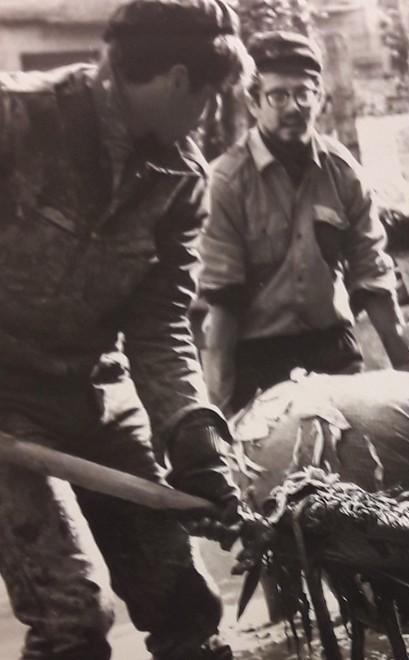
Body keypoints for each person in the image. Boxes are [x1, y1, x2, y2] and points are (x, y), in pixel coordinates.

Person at [0, 1, 254, 658]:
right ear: (176, 82)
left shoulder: (180, 179)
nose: (208, 117)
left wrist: (194, 436)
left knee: (185, 609)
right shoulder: (17, 121)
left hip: (96, 393)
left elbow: (160, 324)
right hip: (5, 404)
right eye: (209, 98)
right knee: (72, 621)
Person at [199, 30, 409, 418]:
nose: (293, 106)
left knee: (357, 464)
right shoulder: (226, 182)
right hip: (256, 359)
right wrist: (220, 410)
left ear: (319, 98)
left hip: (332, 350)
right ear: (253, 102)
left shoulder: (342, 171)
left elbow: (374, 277)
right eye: (278, 95)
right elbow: (221, 306)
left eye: (304, 94)